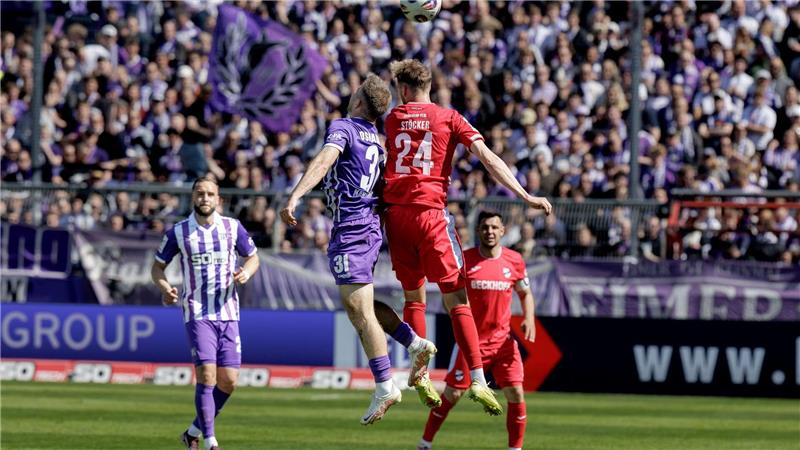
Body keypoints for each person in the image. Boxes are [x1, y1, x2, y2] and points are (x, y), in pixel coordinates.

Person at [381, 59, 551, 416]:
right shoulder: (450, 118)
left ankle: (421, 372)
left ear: (405, 90)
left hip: (396, 217)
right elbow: (488, 159)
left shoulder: (394, 118)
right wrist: (524, 195)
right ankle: (476, 378)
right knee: (456, 298)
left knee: (414, 296)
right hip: (430, 215)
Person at [280, 74, 438, 425]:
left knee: (357, 311)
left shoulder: (345, 127)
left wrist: (297, 194)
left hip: (352, 227)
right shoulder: (378, 142)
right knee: (362, 304)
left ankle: (385, 385)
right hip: (368, 225)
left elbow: (325, 159)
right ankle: (413, 344)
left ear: (360, 102)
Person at [151, 175, 259, 450]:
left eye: (210, 194)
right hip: (197, 312)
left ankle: (192, 431)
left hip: (229, 312)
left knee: (229, 381)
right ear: (193, 198)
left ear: (218, 199)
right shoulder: (178, 232)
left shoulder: (232, 228)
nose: (205, 198)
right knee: (207, 377)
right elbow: (157, 267)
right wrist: (165, 288)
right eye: (200, 193)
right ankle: (209, 440)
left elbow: (253, 257)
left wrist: (246, 272)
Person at [417, 211, 536, 450]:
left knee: (515, 393)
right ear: (478, 231)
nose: (489, 232)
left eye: (494, 227)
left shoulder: (514, 260)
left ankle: (516, 448)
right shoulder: (464, 260)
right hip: (470, 343)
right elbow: (448, 296)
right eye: (485, 227)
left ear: (503, 231)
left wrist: (529, 318)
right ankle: (424, 444)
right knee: (452, 395)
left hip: (503, 342)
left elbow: (525, 292)